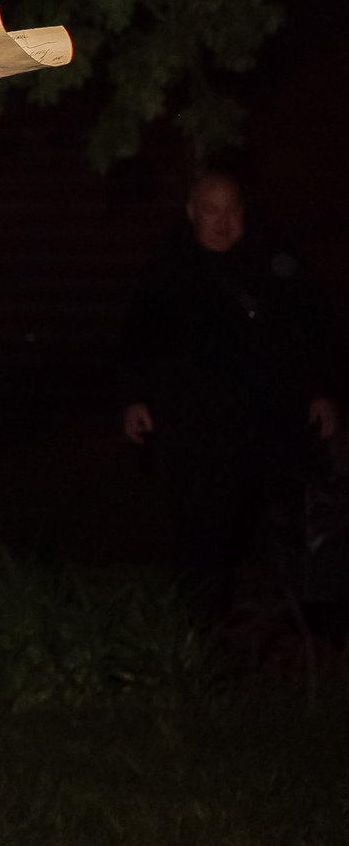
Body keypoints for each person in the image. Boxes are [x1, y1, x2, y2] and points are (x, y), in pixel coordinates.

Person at [120, 171, 340, 625]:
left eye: (232, 210)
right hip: (197, 427)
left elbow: (310, 329)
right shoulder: (168, 268)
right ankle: (202, 629)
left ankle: (307, 624)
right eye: (211, 211)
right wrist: (136, 399)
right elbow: (139, 337)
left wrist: (320, 391)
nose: (223, 223)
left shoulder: (273, 260)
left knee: (294, 524)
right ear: (191, 213)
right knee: (201, 530)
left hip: (270, 419)